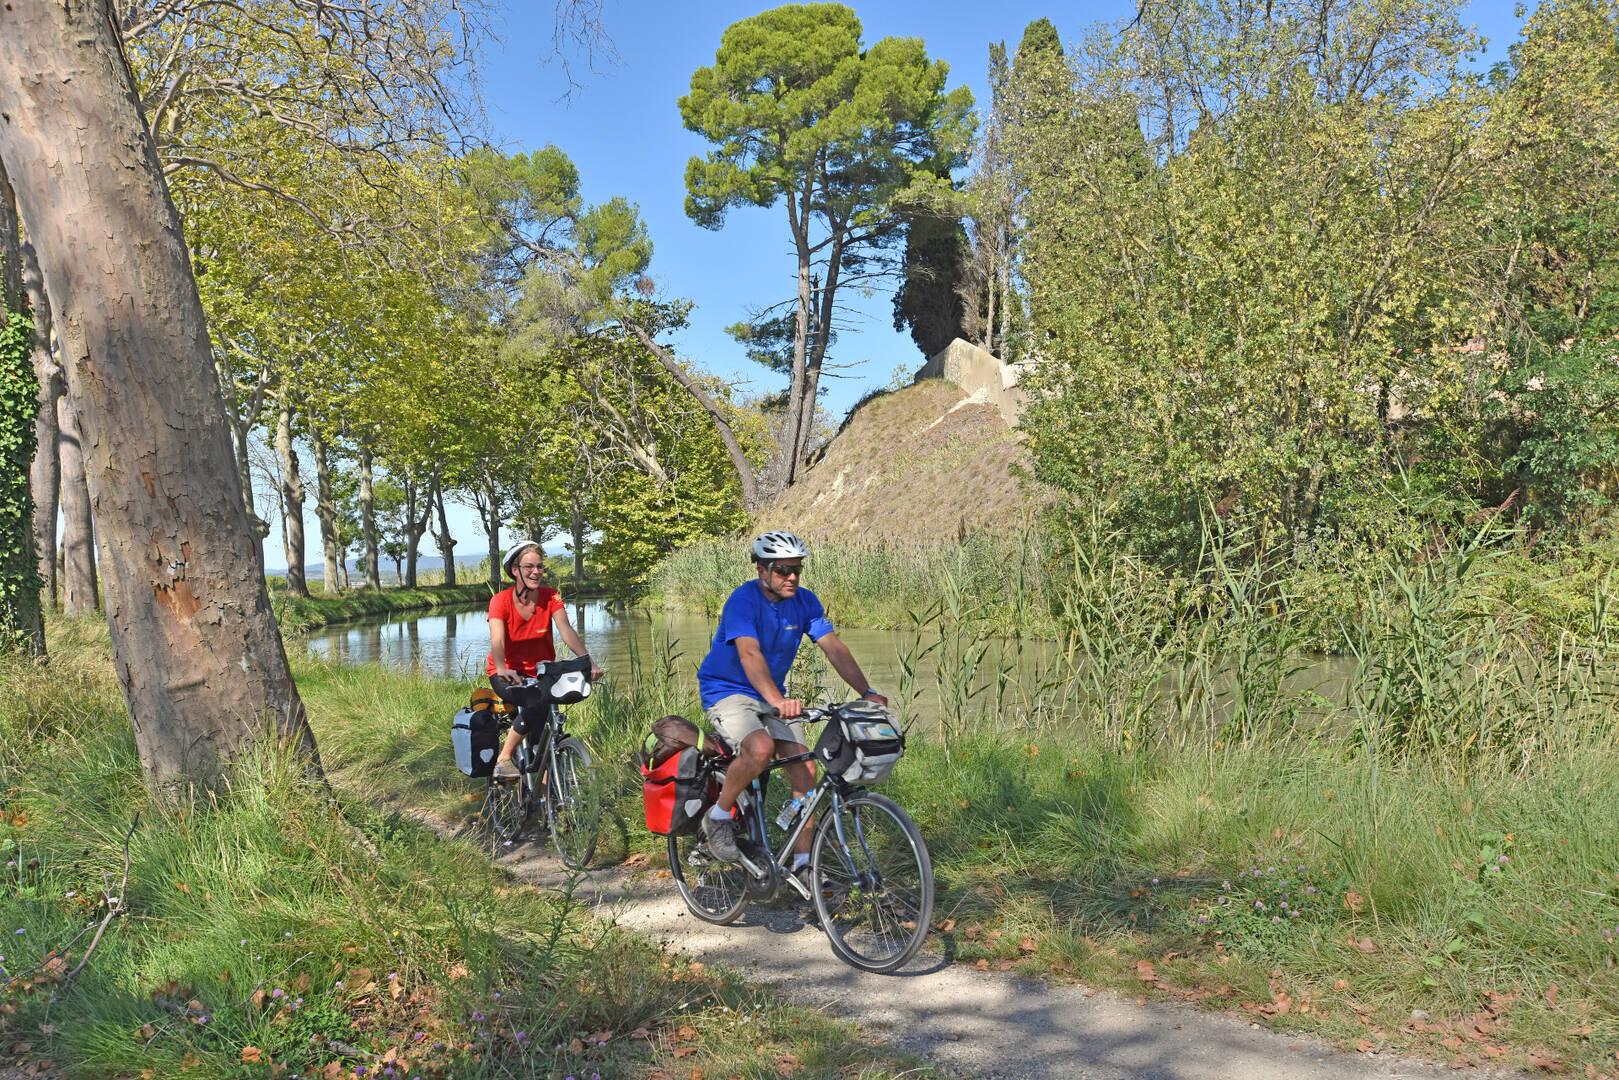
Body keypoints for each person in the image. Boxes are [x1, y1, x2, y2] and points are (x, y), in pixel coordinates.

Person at [695, 530, 889, 866]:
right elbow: (750, 654)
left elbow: (835, 649)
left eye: (797, 569)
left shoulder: (806, 602)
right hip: (727, 690)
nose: (793, 577)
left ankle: (803, 865)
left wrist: (867, 692)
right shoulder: (742, 601)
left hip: (772, 696)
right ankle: (719, 816)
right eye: (784, 570)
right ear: (762, 571)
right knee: (760, 748)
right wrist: (777, 699)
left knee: (806, 770)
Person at [486, 539, 602, 780]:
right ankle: (504, 758)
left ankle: (549, 796)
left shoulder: (551, 596)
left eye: (539, 566)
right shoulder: (500, 601)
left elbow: (566, 630)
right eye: (529, 566)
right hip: (507, 673)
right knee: (536, 702)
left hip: (541, 671)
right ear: (514, 570)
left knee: (545, 726)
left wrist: (587, 662)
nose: (536, 572)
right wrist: (502, 668)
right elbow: (497, 640)